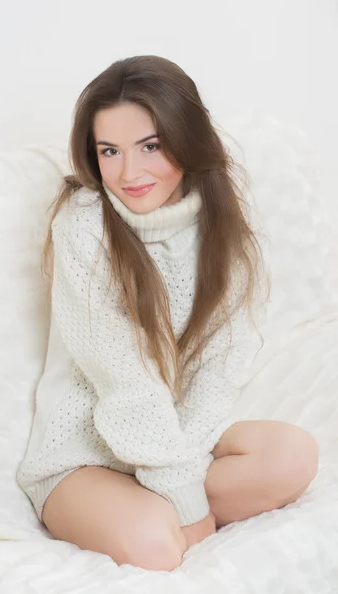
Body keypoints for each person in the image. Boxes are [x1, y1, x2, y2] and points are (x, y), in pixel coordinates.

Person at [17, 55, 319, 572]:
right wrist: (185, 500)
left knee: (293, 455)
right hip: (84, 455)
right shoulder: (84, 224)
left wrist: (179, 483)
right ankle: (143, 513)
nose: (129, 173)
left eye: (150, 146)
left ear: (187, 137)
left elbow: (219, 368)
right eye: (109, 151)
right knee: (155, 546)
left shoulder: (223, 226)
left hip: (178, 441)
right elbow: (123, 380)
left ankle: (153, 506)